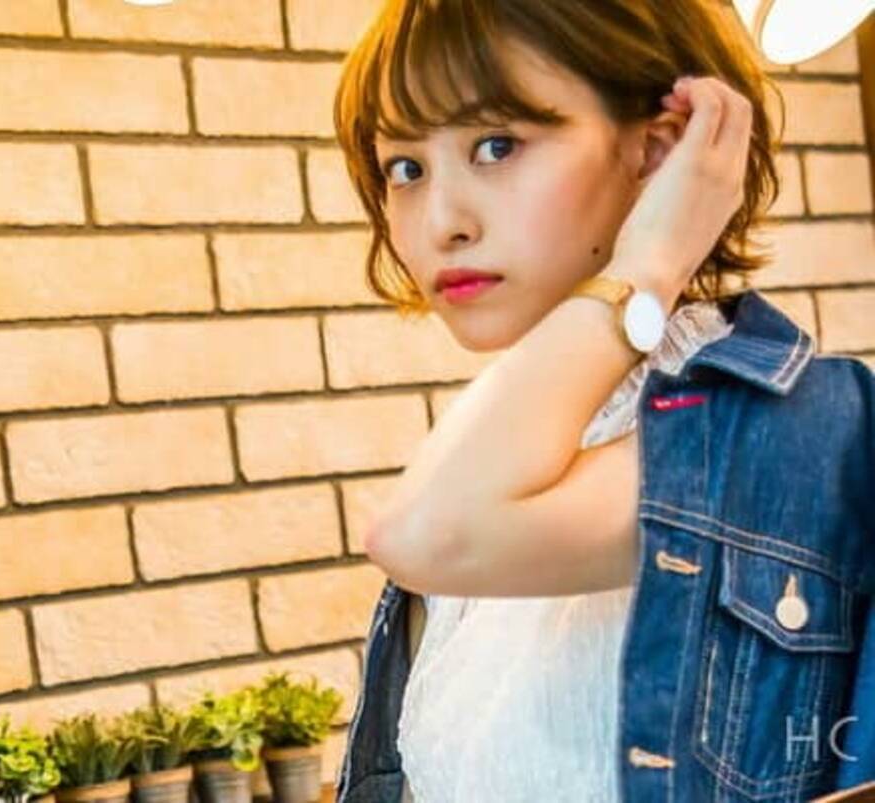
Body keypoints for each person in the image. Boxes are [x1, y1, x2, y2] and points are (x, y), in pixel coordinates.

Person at [330, 1, 875, 801]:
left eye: (496, 145)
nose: (441, 223)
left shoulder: (776, 429)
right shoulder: (512, 438)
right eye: (405, 168)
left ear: (659, 150)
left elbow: (418, 535)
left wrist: (648, 266)